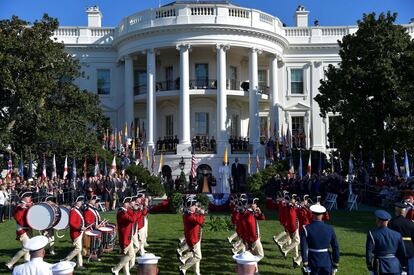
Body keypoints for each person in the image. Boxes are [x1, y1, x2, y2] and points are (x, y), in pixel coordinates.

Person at [300, 204, 339, 275]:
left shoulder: (306, 228)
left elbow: (303, 248)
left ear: (312, 214)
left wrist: (305, 263)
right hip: (326, 261)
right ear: (322, 215)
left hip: (312, 261)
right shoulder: (330, 228)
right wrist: (336, 263)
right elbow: (335, 247)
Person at [366, 209, 406, 275]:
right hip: (395, 265)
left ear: (378, 220)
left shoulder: (372, 234)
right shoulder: (397, 234)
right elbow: (402, 252)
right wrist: (403, 266)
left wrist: (369, 266)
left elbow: (369, 251)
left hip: (380, 265)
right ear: (388, 221)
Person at [6, 191, 33, 270]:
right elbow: (17, 218)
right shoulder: (19, 207)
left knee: (29, 247)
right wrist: (21, 208)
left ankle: (27, 263)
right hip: (22, 229)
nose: (30, 198)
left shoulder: (29, 205)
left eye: (30, 196)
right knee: (26, 248)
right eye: (28, 196)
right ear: (23, 198)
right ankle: (9, 263)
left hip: (29, 228)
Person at [179, 198, 205, 275]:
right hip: (194, 239)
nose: (195, 207)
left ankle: (197, 272)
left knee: (195, 255)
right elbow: (200, 222)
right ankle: (183, 268)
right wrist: (201, 213)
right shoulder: (190, 216)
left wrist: (197, 212)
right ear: (190, 207)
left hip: (194, 237)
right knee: (198, 256)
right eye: (194, 206)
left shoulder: (188, 214)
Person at [112, 197, 137, 275]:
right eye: (126, 202)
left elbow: (131, 215)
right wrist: (135, 210)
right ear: (121, 203)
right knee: (129, 255)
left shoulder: (126, 210)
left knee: (126, 255)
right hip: (125, 237)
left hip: (128, 235)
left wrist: (132, 209)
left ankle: (126, 273)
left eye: (128, 202)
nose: (129, 204)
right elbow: (132, 219)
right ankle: (116, 269)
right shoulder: (121, 212)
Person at [389, 202, 414, 275]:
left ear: (396, 211)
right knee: (410, 269)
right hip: (409, 248)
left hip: (397, 247)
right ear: (404, 212)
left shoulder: (392, 222)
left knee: (396, 269)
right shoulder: (411, 223)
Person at [62, 196, 86, 270]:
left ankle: (79, 264)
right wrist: (79, 228)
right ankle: (65, 260)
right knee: (78, 248)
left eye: (81, 201)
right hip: (76, 232)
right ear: (75, 202)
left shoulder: (78, 210)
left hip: (79, 231)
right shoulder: (73, 211)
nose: (81, 202)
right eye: (79, 201)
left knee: (79, 249)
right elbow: (71, 223)